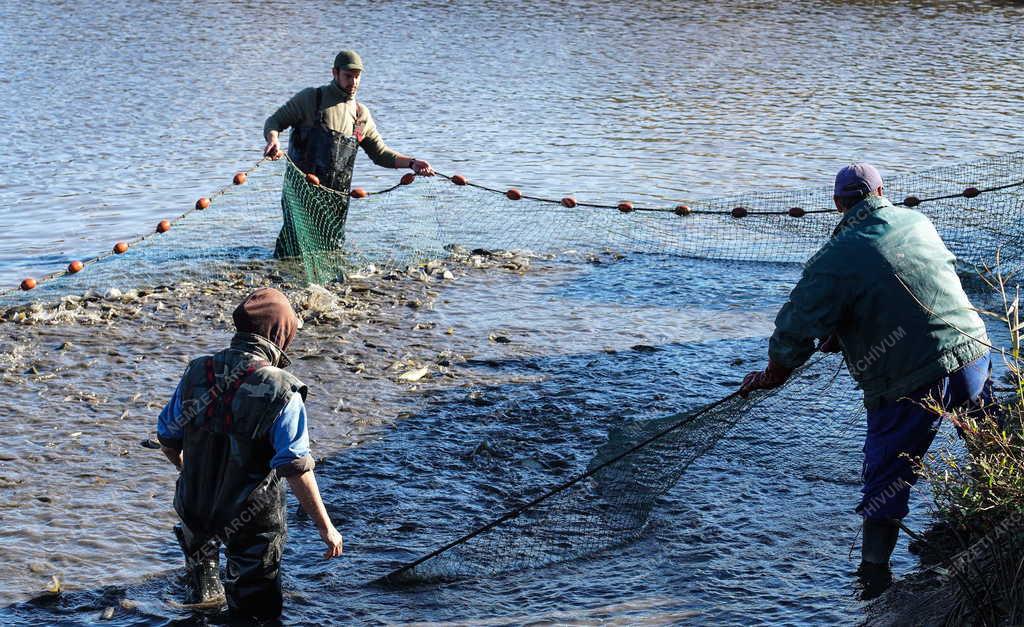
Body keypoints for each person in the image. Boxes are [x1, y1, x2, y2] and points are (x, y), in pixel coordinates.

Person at [738, 163, 994, 587]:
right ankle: (1001, 520)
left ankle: (874, 576)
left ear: (838, 204)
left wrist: (774, 374)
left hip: (909, 377)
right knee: (987, 439)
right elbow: (910, 281)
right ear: (881, 191)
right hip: (973, 353)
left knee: (887, 481)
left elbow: (796, 328)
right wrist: (848, 329)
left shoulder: (834, 258)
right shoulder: (916, 220)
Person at [156, 287, 344, 621]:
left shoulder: (197, 371)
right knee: (255, 611)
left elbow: (167, 437)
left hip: (194, 507)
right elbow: (295, 467)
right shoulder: (284, 389)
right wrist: (326, 527)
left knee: (202, 593)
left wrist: (187, 471)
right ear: (280, 334)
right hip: (250, 517)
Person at [263, 50, 436, 257]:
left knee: (329, 251)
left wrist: (412, 163)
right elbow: (274, 122)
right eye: (348, 76)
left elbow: (380, 153)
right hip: (300, 193)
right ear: (335, 73)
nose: (353, 82)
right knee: (291, 250)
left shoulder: (360, 114)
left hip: (336, 198)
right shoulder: (312, 99)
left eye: (357, 76)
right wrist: (273, 139)